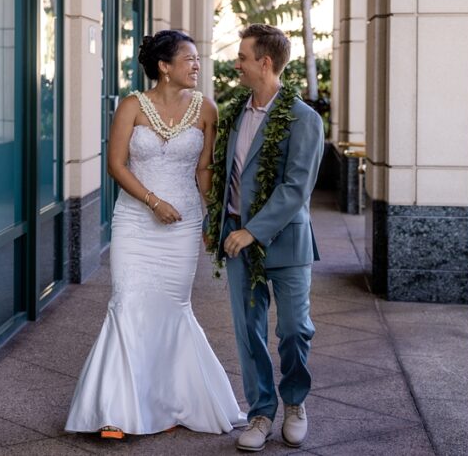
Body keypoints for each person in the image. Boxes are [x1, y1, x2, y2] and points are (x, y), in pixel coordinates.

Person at [65, 30, 246, 439]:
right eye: (189, 59)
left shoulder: (207, 109)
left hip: (182, 225)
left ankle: (167, 402)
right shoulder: (132, 106)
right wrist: (152, 201)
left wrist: (210, 218)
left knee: (171, 307)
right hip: (134, 222)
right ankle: (114, 410)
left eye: (197, 59)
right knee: (127, 302)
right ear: (164, 67)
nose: (197, 65)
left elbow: (204, 169)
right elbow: (116, 165)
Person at [209, 24, 324, 452]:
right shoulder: (236, 112)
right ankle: (260, 411)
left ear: (265, 62)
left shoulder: (304, 118)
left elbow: (296, 189)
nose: (235, 63)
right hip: (236, 240)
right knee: (249, 332)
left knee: (295, 329)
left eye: (242, 57)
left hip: (285, 243)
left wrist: (252, 231)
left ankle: (295, 402)